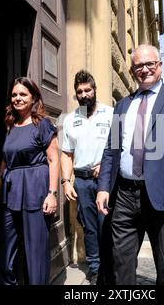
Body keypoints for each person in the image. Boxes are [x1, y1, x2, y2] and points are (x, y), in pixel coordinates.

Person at [96, 44, 164, 285]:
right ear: (132, 70)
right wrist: (104, 187)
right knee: (120, 266)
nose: (144, 69)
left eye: (150, 64)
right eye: (138, 66)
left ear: (160, 65)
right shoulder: (122, 105)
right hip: (124, 195)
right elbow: (111, 150)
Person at [0, 77, 59, 285]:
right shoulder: (11, 124)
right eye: (14, 95)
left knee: (35, 251)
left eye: (22, 94)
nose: (17, 98)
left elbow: (54, 159)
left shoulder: (43, 124)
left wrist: (52, 194)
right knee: (1, 247)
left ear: (33, 97)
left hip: (35, 189)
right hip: (10, 192)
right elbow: (4, 161)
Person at [60, 70, 113, 285]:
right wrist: (65, 181)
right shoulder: (71, 120)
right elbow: (66, 153)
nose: (84, 94)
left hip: (105, 181)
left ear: (94, 90)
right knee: (89, 227)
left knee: (107, 225)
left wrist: (106, 163)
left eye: (87, 90)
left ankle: (111, 268)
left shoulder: (111, 114)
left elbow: (119, 146)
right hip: (81, 181)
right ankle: (95, 269)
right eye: (79, 91)